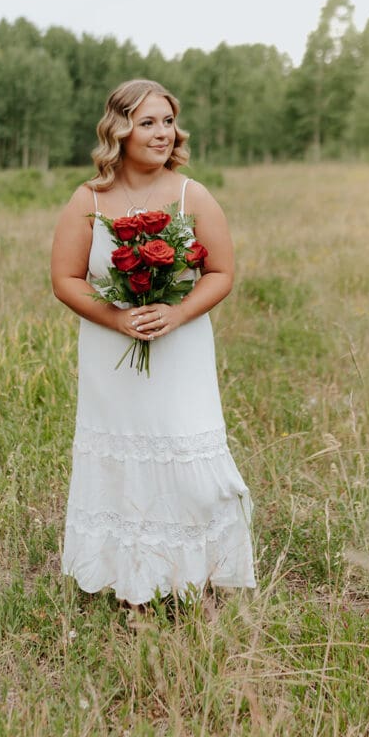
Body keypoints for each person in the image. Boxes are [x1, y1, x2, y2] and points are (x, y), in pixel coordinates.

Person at [51, 79, 256, 605]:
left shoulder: (193, 194)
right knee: (122, 450)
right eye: (148, 122)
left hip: (180, 348)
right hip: (110, 353)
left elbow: (223, 271)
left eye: (168, 121)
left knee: (186, 452)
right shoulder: (87, 199)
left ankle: (198, 575)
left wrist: (178, 311)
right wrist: (117, 320)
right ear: (119, 130)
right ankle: (127, 578)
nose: (162, 133)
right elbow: (66, 279)